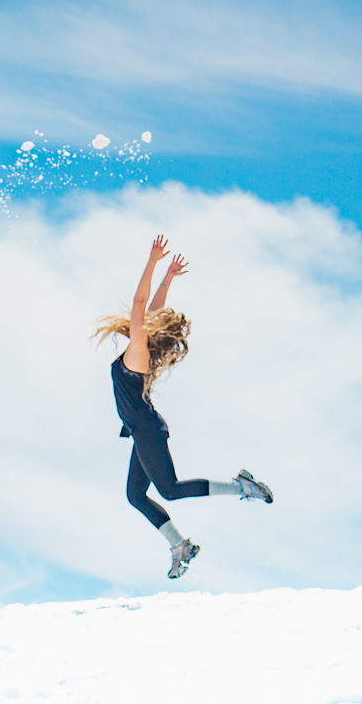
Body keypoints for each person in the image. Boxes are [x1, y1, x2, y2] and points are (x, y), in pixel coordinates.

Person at [95, 236, 273, 579]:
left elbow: (139, 302)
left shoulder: (139, 353)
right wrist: (168, 277)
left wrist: (151, 262)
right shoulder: (142, 348)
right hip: (141, 430)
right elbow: (150, 310)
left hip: (146, 429)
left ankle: (243, 487)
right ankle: (180, 545)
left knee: (170, 490)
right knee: (136, 495)